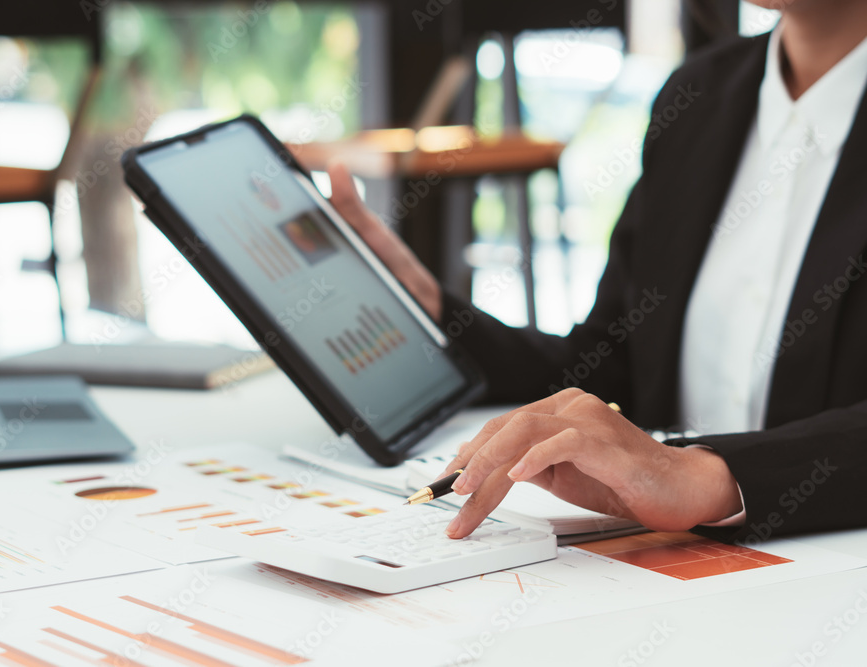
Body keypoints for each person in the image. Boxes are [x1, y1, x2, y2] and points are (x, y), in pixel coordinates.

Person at [327, 0, 867, 544]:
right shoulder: (699, 95)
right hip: (667, 566)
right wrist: (434, 310)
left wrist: (708, 475)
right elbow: (611, 366)